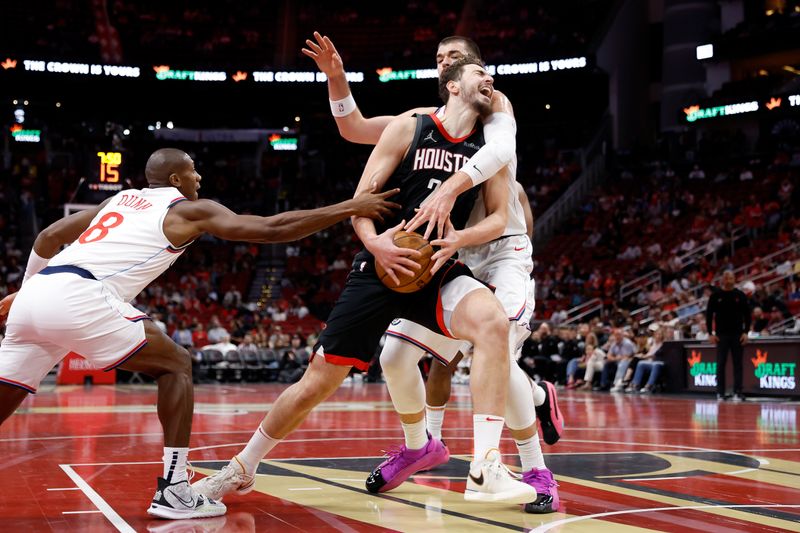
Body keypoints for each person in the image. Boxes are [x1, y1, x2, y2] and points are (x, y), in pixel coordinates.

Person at [193, 57, 536, 506]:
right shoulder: (409, 127)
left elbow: (498, 219)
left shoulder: (489, 148)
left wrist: (459, 239)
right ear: (452, 86)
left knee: (492, 321)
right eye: (478, 73)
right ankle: (242, 467)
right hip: (382, 265)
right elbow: (361, 202)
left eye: (492, 74)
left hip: (435, 265)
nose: (489, 79)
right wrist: (376, 245)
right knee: (318, 379)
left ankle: (485, 466)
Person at [0, 148, 399, 520]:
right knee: (175, 364)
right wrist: (350, 207)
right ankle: (174, 490)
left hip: (37, 293)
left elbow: (48, 236)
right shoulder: (187, 210)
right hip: (80, 293)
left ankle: (174, 488)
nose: (199, 176)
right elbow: (270, 228)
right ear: (175, 178)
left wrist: (27, 291)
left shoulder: (117, 201)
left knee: (6, 392)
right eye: (192, 170)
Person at [300, 32, 561, 512]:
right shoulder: (427, 120)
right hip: (445, 252)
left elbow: (500, 152)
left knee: (495, 345)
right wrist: (337, 81)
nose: (444, 62)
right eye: (438, 57)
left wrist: (451, 189)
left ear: (474, 69)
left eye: (454, 57)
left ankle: (534, 468)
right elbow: (355, 128)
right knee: (396, 355)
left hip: (498, 247)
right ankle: (422, 444)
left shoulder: (494, 102)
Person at [706, 270, 751, 401]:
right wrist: (710, 333)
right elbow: (709, 315)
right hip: (721, 335)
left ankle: (738, 392)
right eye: (726, 277)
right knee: (720, 364)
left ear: (734, 279)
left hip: (737, 334)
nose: (728, 280)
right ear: (722, 280)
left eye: (730, 277)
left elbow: (747, 315)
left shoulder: (740, 295)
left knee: (738, 364)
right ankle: (720, 392)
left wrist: (746, 332)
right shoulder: (715, 296)